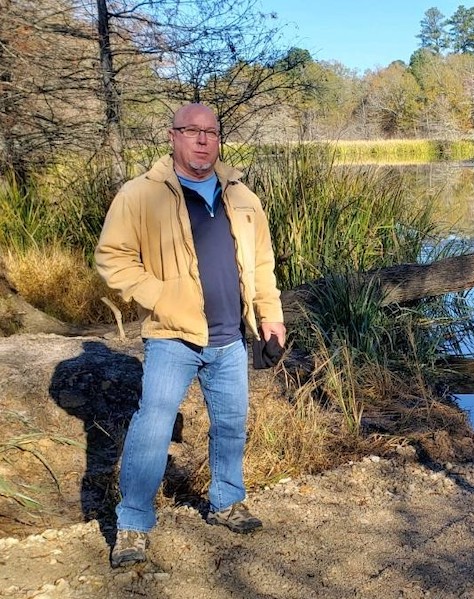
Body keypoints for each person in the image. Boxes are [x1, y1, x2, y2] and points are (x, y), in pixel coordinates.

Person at [95, 103, 285, 568]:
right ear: (173, 136)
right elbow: (113, 259)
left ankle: (226, 502)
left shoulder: (242, 196)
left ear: (219, 138)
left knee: (229, 424)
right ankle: (133, 526)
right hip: (171, 337)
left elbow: (262, 265)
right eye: (192, 131)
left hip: (229, 339)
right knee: (152, 427)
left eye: (211, 132)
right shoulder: (140, 194)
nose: (203, 140)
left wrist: (270, 316)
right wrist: (163, 296)